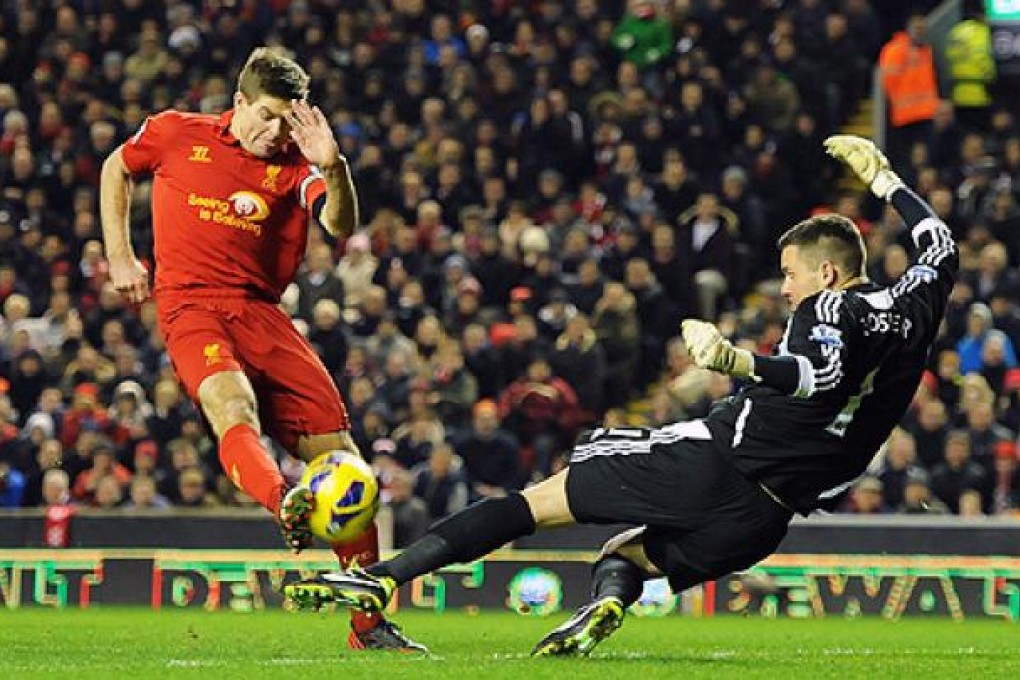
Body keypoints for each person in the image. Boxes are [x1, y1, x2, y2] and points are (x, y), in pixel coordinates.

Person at [284, 137, 958, 652]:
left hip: (716, 462)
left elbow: (818, 377)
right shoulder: (913, 304)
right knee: (622, 556)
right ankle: (604, 606)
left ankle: (386, 576)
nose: (784, 289)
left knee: (536, 501)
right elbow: (939, 243)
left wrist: (735, 360)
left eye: (789, 275)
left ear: (828, 271)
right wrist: (888, 180)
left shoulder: (828, 309)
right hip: (765, 521)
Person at [99, 47, 423, 651]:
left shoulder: (299, 163)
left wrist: (335, 168)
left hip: (263, 315)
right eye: (268, 117)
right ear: (239, 102)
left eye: (288, 121)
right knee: (232, 403)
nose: (276, 133)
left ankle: (369, 626)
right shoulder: (176, 133)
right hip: (191, 305)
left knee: (344, 460)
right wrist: (119, 253)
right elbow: (117, 165)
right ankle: (285, 502)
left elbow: (341, 226)